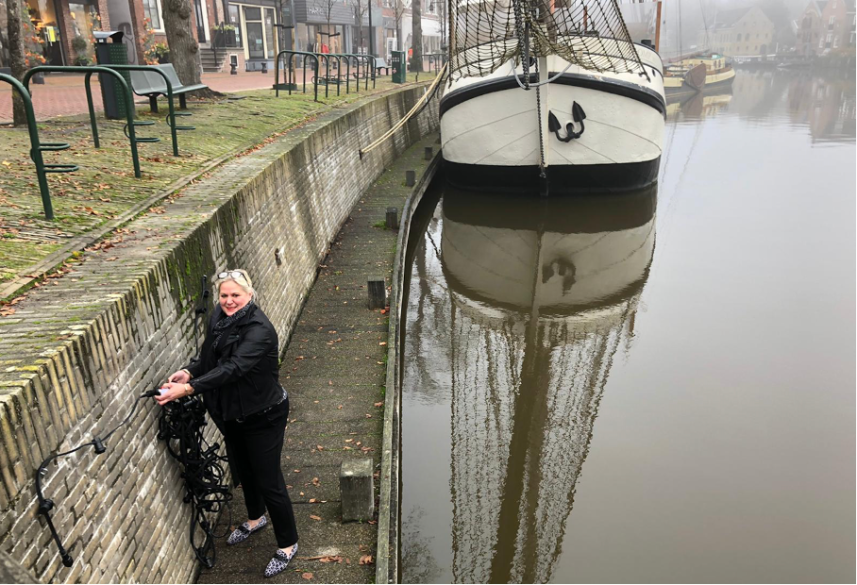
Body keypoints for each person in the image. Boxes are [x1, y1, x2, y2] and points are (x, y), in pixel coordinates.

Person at [158, 269, 299, 578]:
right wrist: (190, 372)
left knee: (268, 480)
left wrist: (189, 389)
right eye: (224, 295)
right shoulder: (219, 319)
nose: (229, 301)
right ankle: (254, 518)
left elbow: (234, 368)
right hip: (231, 413)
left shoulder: (260, 330)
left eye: (236, 295)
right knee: (242, 470)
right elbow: (212, 358)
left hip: (264, 415)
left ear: (249, 296)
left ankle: (288, 543)